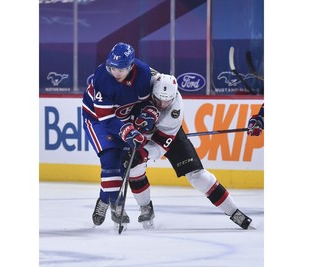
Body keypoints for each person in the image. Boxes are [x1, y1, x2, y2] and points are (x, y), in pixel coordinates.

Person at [128, 74, 254, 230]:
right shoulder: (146, 80)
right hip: (138, 131)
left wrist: (144, 154)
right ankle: (145, 207)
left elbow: (161, 147)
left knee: (198, 177)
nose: (161, 104)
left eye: (166, 101)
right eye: (158, 99)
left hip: (167, 136)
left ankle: (234, 211)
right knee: (134, 169)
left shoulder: (175, 111)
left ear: (173, 97)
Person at [81, 42, 159, 229]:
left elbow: (144, 103)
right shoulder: (102, 77)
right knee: (110, 160)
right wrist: (127, 131)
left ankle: (104, 199)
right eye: (113, 67)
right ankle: (117, 207)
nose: (116, 72)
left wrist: (147, 115)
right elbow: (106, 119)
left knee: (124, 164)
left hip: (124, 118)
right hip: (97, 120)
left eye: (122, 68)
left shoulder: (143, 74)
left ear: (131, 65)